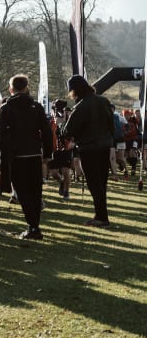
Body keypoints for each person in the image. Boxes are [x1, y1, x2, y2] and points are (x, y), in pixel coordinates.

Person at [0, 74, 53, 239]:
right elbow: (47, 132)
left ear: (11, 89)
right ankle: (35, 226)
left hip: (16, 155)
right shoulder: (36, 107)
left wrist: (3, 153)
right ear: (27, 87)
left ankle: (33, 227)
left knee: (22, 192)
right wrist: (47, 154)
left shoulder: (6, 108)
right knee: (35, 191)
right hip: (34, 153)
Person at [59, 75, 114, 227]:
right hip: (105, 146)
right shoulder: (104, 101)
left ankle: (102, 218)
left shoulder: (81, 106)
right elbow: (112, 125)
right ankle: (100, 214)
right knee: (101, 183)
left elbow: (68, 131)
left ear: (75, 90)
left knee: (94, 184)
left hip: (89, 148)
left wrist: (62, 125)